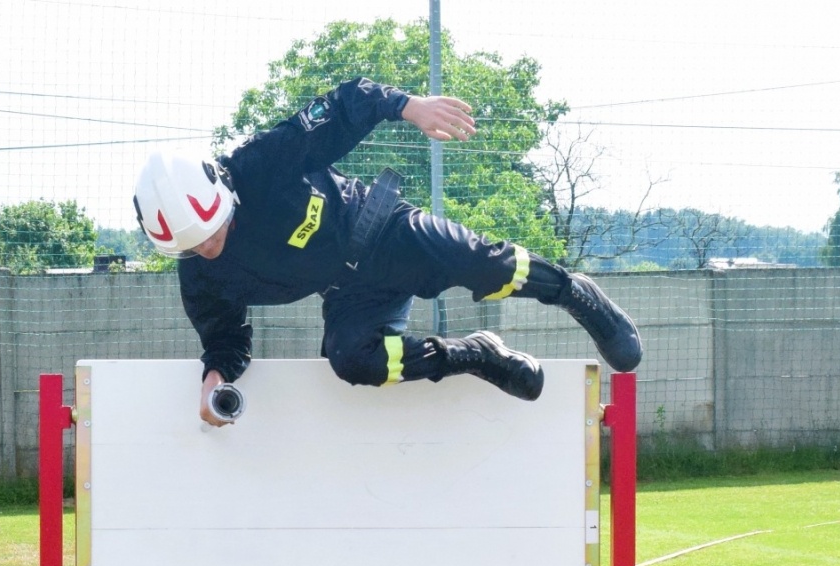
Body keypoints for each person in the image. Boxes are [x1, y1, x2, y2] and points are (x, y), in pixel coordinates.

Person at [132, 78, 644, 425]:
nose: (209, 247)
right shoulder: (201, 273)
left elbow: (346, 102)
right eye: (193, 247)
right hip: (351, 290)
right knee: (351, 359)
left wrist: (409, 107)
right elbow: (225, 338)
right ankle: (476, 355)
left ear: (223, 191)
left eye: (212, 230)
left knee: (481, 265)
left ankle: (575, 293)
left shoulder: (261, 163)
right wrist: (213, 381)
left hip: (379, 228)